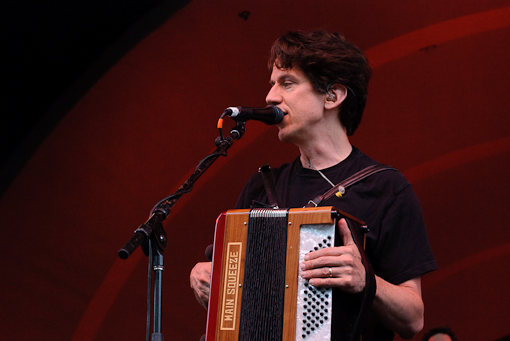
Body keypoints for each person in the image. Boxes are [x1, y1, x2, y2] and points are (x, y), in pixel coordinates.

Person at [190, 29, 437, 340]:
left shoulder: (386, 188)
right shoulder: (260, 188)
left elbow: (413, 318)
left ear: (332, 96)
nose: (270, 97)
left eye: (287, 83)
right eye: (272, 84)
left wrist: (366, 281)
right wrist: (203, 276)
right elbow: (223, 277)